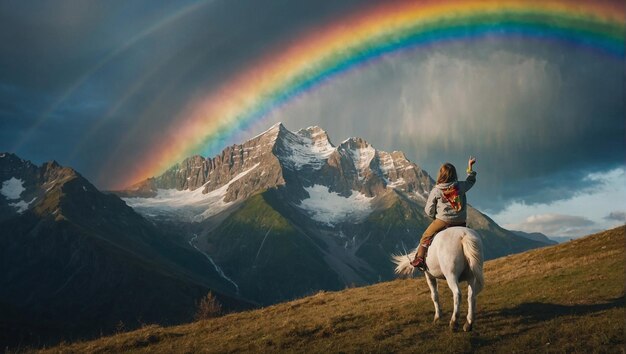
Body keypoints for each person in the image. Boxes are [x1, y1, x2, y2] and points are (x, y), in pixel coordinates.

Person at [410, 156, 477, 271]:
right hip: (461, 221)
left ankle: (420, 259)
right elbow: (471, 180)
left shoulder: (437, 190)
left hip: (443, 221)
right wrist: (470, 167)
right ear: (454, 174)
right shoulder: (460, 186)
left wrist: (434, 216)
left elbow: (428, 210)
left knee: (425, 236)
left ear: (441, 175)